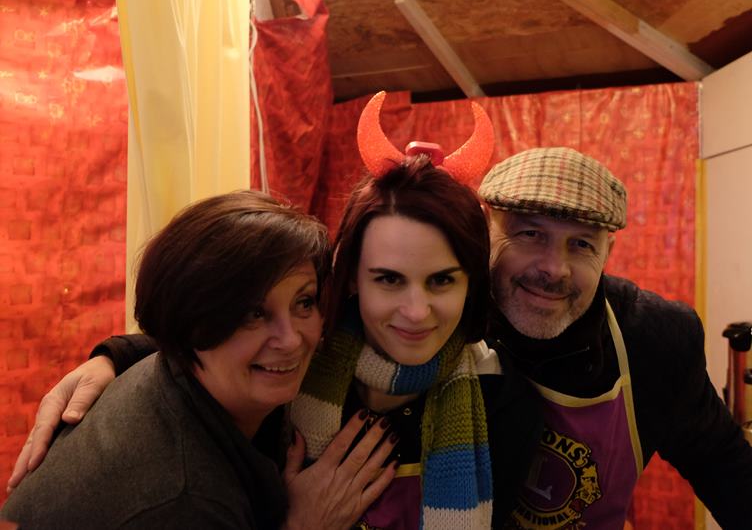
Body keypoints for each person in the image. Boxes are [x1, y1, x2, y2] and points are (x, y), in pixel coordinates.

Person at [5, 94, 542, 529]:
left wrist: (112, 356)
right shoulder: (293, 376)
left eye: (442, 280)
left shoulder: (502, 404)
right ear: (350, 281)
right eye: (388, 279)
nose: (417, 311)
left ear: (472, 285)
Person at [1, 191, 397, 529]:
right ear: (192, 322)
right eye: (253, 313)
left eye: (304, 302)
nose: (292, 339)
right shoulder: (186, 499)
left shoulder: (181, 372)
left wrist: (113, 354)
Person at [477, 146, 752, 529]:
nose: (555, 269)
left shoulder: (654, 340)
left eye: (582, 244)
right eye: (530, 233)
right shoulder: (439, 325)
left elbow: (724, 465)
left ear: (608, 251)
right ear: (485, 229)